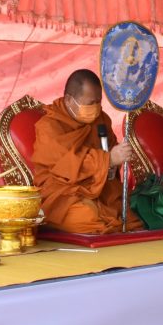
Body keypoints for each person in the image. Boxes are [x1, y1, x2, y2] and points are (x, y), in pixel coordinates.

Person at [30, 69, 143, 233]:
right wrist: (108, 159)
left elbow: (110, 150)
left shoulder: (101, 119)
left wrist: (112, 164)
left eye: (99, 102)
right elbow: (68, 164)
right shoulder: (49, 126)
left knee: (131, 213)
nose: (96, 108)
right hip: (63, 194)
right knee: (88, 216)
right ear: (69, 100)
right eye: (90, 103)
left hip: (101, 191)